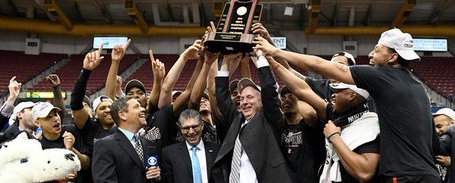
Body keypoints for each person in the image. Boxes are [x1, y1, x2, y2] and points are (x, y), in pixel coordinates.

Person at [256, 28, 439, 182]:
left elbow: (319, 65)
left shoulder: (382, 78)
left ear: (391, 57)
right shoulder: (419, 89)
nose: (370, 54)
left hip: (403, 175)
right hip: (428, 174)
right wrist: (272, 57)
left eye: (377, 49)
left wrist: (277, 51)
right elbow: (435, 144)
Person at [270, 57, 379, 183]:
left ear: (351, 95)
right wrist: (273, 63)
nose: (332, 94)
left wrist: (334, 137)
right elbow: (302, 90)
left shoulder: (370, 125)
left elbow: (365, 173)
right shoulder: (336, 115)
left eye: (337, 91)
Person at [211, 50, 292, 183]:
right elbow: (222, 97)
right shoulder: (237, 120)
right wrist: (226, 61)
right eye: (242, 98)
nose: (244, 102)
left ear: (261, 101)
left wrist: (259, 56)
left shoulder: (270, 119)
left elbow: (269, 88)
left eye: (250, 97)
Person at [92, 96, 161, 182]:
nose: (143, 109)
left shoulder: (147, 143)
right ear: (122, 115)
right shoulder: (105, 145)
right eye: (136, 107)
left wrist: (156, 177)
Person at [33, 101, 90, 182]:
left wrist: (71, 149)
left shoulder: (72, 131)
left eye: (56, 114)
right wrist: (60, 176)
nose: (55, 119)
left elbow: (87, 164)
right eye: (48, 117)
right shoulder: (39, 147)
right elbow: (38, 177)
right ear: (37, 123)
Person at [161, 109, 220, 183]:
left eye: (195, 126)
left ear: (202, 126)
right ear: (180, 129)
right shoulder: (169, 153)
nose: (191, 132)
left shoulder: (217, 150)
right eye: (186, 128)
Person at [432, 107, 455, 182]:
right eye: (434, 128)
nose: (436, 131)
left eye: (439, 126)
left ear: (452, 124)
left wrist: (451, 163)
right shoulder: (434, 142)